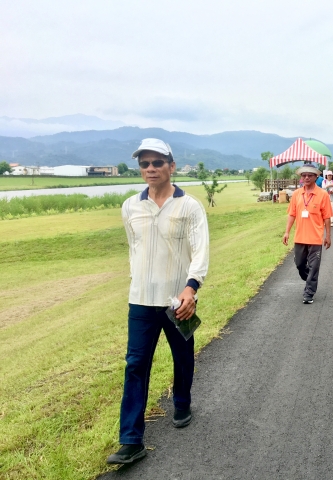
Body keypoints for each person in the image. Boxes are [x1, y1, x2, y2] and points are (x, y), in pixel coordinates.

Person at [107, 138, 210, 465]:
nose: (150, 169)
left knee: (182, 357)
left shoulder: (189, 206)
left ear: (171, 166)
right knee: (135, 365)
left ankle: (182, 403)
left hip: (177, 300)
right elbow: (134, 250)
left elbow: (200, 252)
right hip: (140, 302)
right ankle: (131, 440)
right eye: (144, 164)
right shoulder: (130, 207)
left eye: (157, 163)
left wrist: (191, 288)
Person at [282, 164, 332, 304]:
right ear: (301, 178)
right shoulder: (297, 194)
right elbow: (292, 214)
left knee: (314, 266)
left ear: (316, 177)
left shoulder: (322, 195)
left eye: (310, 175)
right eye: (304, 175)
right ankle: (309, 278)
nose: (307, 177)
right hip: (300, 237)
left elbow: (327, 217)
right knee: (299, 264)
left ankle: (309, 293)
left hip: (315, 238)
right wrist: (286, 232)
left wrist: (328, 236)